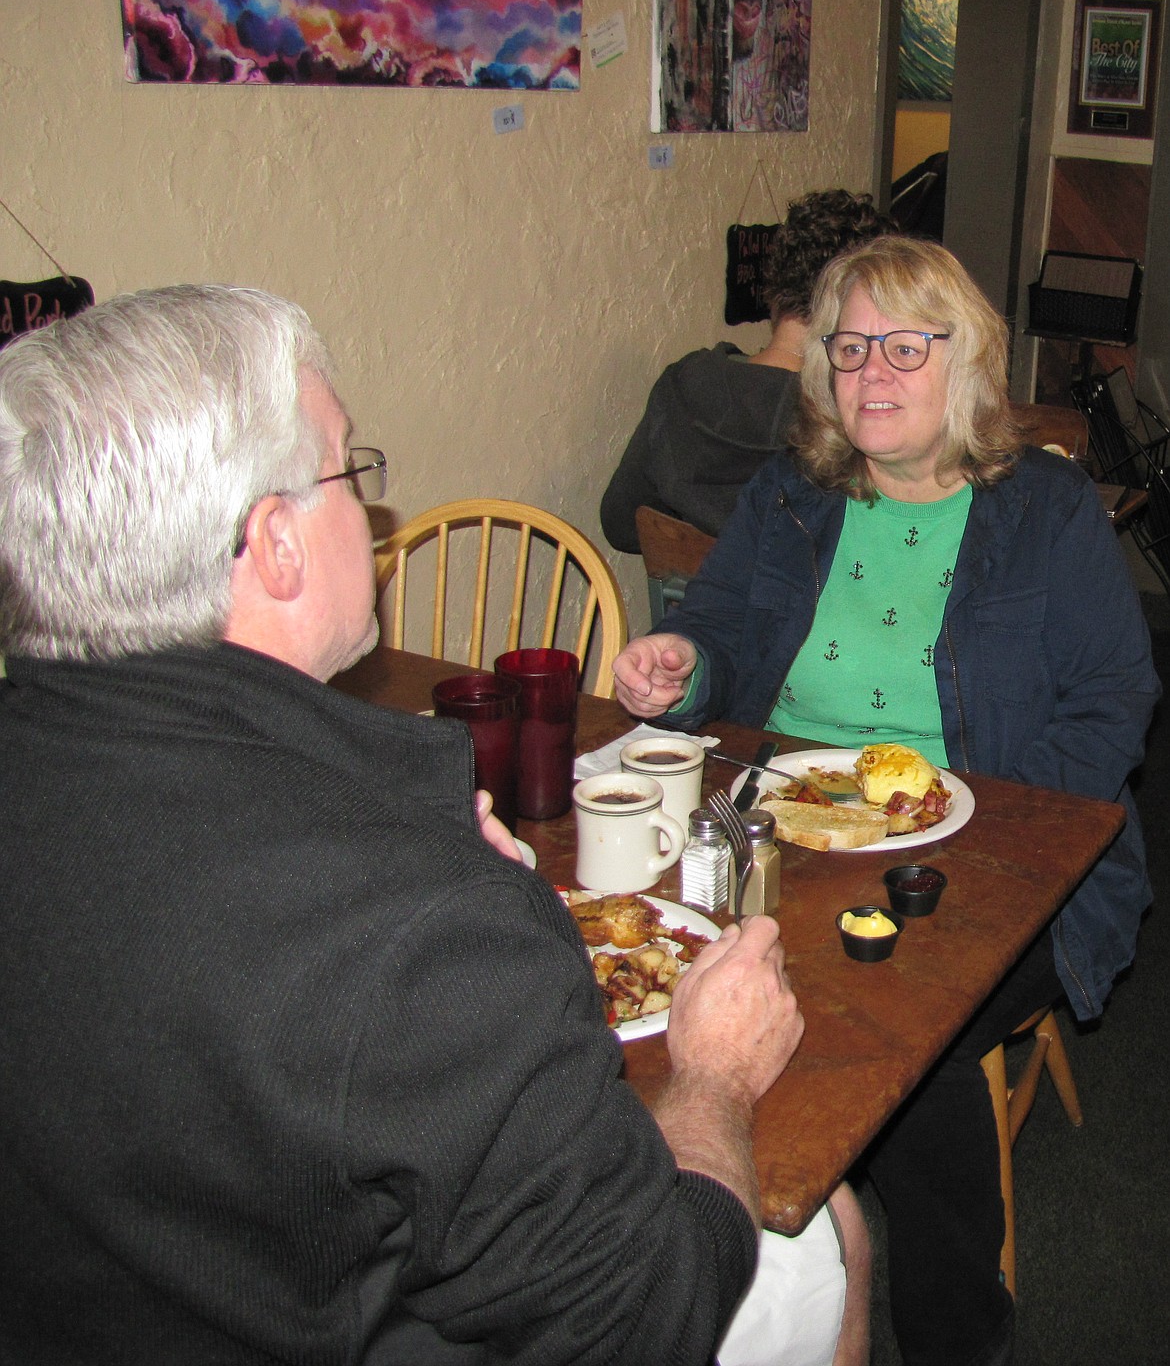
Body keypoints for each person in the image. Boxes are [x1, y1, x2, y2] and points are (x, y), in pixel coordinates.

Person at [0, 284, 869, 1365]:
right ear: (274, 543)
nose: (372, 512)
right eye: (347, 468)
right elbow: (641, 1315)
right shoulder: (415, 922)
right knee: (832, 1227)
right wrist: (713, 1077)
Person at [612, 235, 1159, 1366]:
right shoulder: (791, 494)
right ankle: (718, 1247)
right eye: (852, 346)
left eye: (907, 346)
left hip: (1005, 858)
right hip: (788, 829)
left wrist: (982, 820)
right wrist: (683, 663)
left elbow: (1114, 698)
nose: (872, 373)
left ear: (966, 364)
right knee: (629, 961)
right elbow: (719, 634)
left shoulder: (1045, 510)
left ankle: (958, 1326)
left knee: (908, 1038)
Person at [600, 189, 895, 554]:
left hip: (698, 606)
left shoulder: (683, 384)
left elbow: (622, 525)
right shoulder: (859, 413)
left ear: (772, 289)